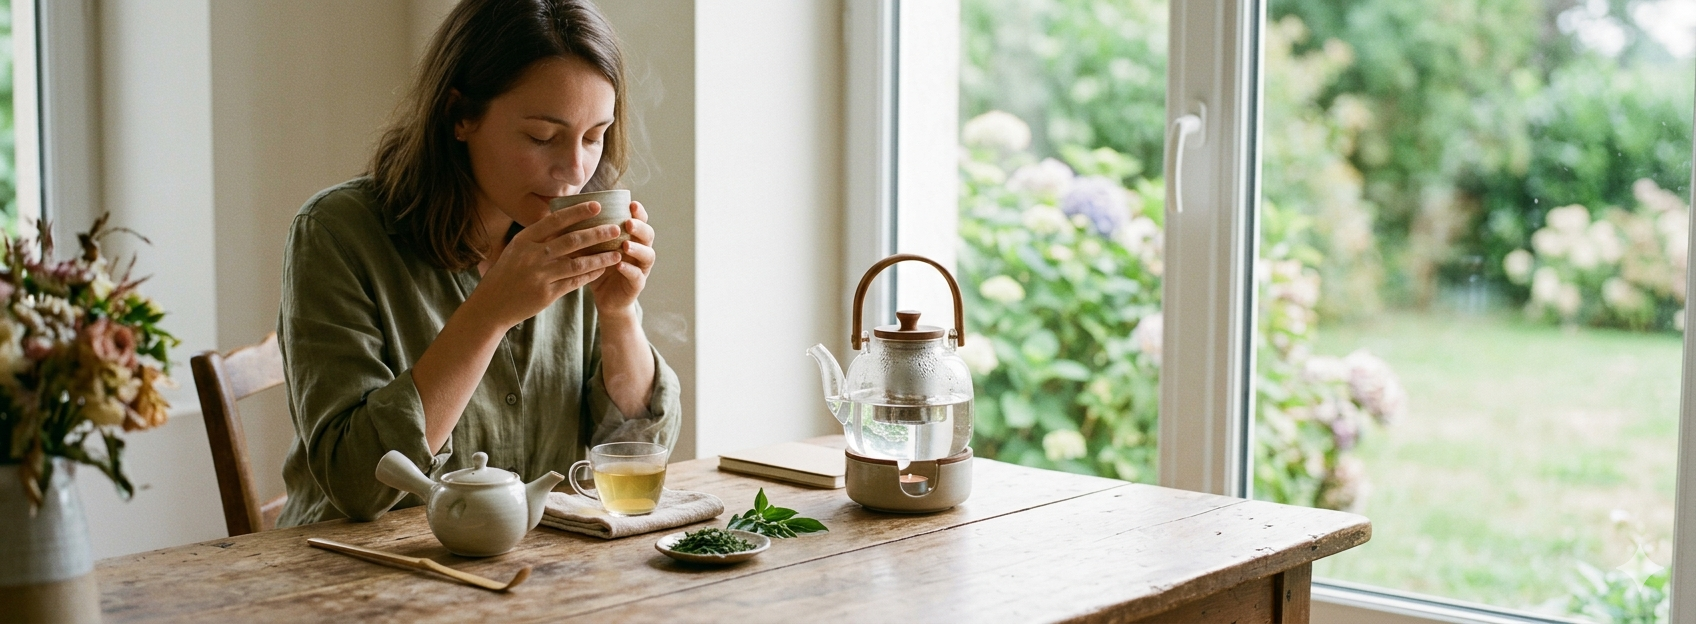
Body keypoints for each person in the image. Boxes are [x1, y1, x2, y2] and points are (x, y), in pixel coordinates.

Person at [275, 0, 678, 527]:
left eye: (593, 136)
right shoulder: (337, 233)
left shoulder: (574, 233)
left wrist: (619, 313)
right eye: (541, 137)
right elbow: (357, 483)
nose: (575, 170)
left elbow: (635, 450)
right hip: (355, 564)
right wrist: (490, 313)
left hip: (539, 563)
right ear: (460, 114)